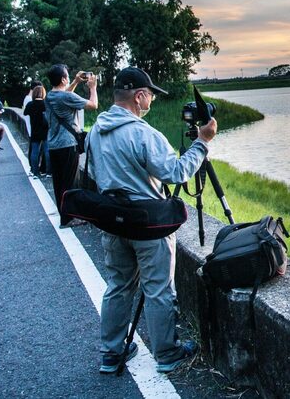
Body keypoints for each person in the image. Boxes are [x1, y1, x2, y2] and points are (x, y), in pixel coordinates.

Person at [87, 66, 217, 375]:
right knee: (158, 288)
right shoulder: (143, 133)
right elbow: (176, 173)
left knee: (118, 285)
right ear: (140, 95)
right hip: (147, 225)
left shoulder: (95, 130)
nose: (152, 102)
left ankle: (111, 352)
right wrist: (203, 142)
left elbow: (93, 175)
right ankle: (167, 353)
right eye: (151, 97)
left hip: (113, 223)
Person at [45, 64, 98, 227]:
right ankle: (69, 218)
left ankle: (64, 215)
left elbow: (65, 95)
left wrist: (75, 82)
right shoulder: (65, 97)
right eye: (67, 76)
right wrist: (93, 88)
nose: (69, 78)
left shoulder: (49, 96)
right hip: (68, 144)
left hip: (53, 144)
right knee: (70, 182)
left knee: (59, 182)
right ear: (63, 79)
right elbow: (93, 105)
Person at [23, 84, 49, 177]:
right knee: (47, 151)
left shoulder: (30, 104)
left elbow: (25, 113)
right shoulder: (45, 104)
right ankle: (48, 172)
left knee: (35, 152)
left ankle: (35, 171)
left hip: (34, 130)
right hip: (46, 130)